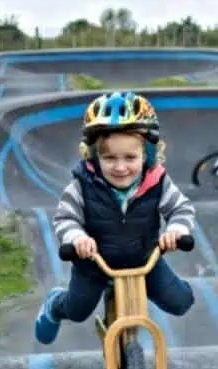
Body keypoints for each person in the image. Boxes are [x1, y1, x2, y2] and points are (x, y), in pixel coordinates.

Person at [34, 91, 197, 345]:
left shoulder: (157, 182)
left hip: (143, 259)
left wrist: (176, 230)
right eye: (109, 158)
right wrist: (77, 238)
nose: (120, 167)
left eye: (130, 157)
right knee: (78, 310)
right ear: (93, 155)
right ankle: (55, 305)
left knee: (180, 302)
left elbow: (181, 208)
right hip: (94, 263)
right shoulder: (83, 185)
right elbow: (66, 218)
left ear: (148, 154)